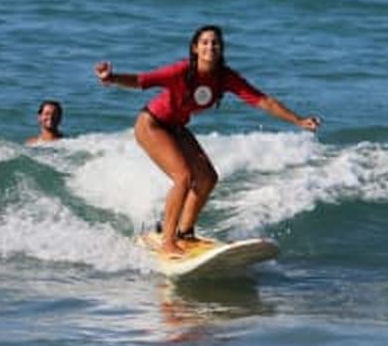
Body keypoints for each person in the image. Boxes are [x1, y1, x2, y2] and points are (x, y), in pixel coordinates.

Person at [94, 24, 320, 257]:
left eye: (215, 43)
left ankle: (184, 232)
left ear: (221, 49)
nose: (210, 46)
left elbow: (263, 101)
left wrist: (298, 120)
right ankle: (168, 242)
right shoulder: (181, 71)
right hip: (151, 124)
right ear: (195, 48)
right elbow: (142, 80)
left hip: (176, 127)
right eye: (204, 42)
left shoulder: (225, 77)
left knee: (207, 178)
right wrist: (111, 77)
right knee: (183, 177)